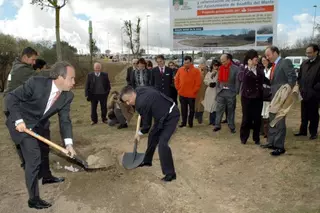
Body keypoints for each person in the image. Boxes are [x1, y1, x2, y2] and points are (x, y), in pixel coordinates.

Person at [5, 61, 77, 209]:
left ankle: (47, 177)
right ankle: (33, 199)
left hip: (41, 123)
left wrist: (69, 144)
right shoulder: (36, 83)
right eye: (71, 78)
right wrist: (18, 120)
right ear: (59, 77)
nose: (74, 82)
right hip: (21, 123)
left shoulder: (67, 96)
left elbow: (65, 120)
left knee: (45, 150)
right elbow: (10, 98)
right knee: (34, 157)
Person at [3, 49, 57, 181]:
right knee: (37, 140)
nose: (34, 63)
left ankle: (40, 173)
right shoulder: (22, 70)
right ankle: (42, 174)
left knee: (26, 143)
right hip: (18, 111)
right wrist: (60, 72)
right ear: (25, 57)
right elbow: (42, 77)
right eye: (32, 60)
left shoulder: (16, 67)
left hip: (14, 109)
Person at [120, 85, 179, 182]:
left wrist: (139, 133)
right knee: (152, 136)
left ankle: (170, 174)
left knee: (162, 144)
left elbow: (146, 126)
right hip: (160, 116)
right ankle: (147, 160)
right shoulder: (138, 90)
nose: (128, 103)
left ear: (132, 95)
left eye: (127, 100)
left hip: (171, 116)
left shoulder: (141, 103)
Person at [261, 46, 296, 156]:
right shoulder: (274, 65)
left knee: (279, 121)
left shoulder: (285, 62)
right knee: (272, 119)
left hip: (282, 98)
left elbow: (292, 79)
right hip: (274, 98)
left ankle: (279, 146)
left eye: (268, 55)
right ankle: (271, 142)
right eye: (266, 55)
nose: (267, 57)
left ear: (275, 53)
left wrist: (286, 95)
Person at [238, 49, 264, 145]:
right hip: (247, 97)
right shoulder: (242, 69)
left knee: (257, 118)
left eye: (257, 58)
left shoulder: (259, 68)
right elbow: (242, 79)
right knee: (246, 118)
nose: (257, 60)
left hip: (258, 97)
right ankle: (244, 137)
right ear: (249, 59)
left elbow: (263, 80)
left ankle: (256, 138)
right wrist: (249, 68)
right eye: (255, 58)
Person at [295, 44, 320, 140]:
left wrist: (314, 89)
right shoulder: (304, 63)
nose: (308, 54)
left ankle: (313, 132)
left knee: (313, 114)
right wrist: (300, 88)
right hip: (304, 93)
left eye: (310, 52)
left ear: (316, 52)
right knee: (304, 113)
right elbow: (300, 77)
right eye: (307, 53)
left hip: (315, 94)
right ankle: (303, 131)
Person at [214, 53, 240, 133]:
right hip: (221, 92)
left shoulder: (236, 68)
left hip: (231, 92)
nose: (222, 63)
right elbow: (218, 80)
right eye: (221, 61)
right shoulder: (220, 68)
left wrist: (236, 91)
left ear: (229, 60)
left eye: (224, 61)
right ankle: (217, 125)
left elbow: (237, 81)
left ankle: (231, 126)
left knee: (231, 110)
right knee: (219, 109)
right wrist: (217, 89)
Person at [174, 56, 201, 128]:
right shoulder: (180, 70)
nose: (186, 64)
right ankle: (183, 122)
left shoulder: (196, 71)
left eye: (188, 63)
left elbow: (198, 83)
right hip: (182, 94)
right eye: (185, 63)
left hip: (192, 95)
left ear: (191, 62)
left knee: (192, 110)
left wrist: (194, 91)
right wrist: (178, 88)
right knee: (183, 109)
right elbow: (176, 79)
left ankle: (190, 122)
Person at [203, 60, 220, 125]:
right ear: (212, 66)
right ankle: (211, 120)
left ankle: (215, 120)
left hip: (216, 91)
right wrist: (209, 83)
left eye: (217, 66)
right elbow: (205, 80)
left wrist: (216, 83)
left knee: (215, 105)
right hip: (210, 90)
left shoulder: (219, 73)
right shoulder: (209, 73)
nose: (216, 67)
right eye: (214, 65)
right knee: (210, 105)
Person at [260, 56, 272, 138]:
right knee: (262, 111)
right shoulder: (261, 70)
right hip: (262, 93)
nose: (263, 62)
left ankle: (268, 131)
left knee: (268, 111)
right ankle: (263, 130)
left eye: (265, 60)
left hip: (269, 92)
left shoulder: (272, 69)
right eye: (262, 61)